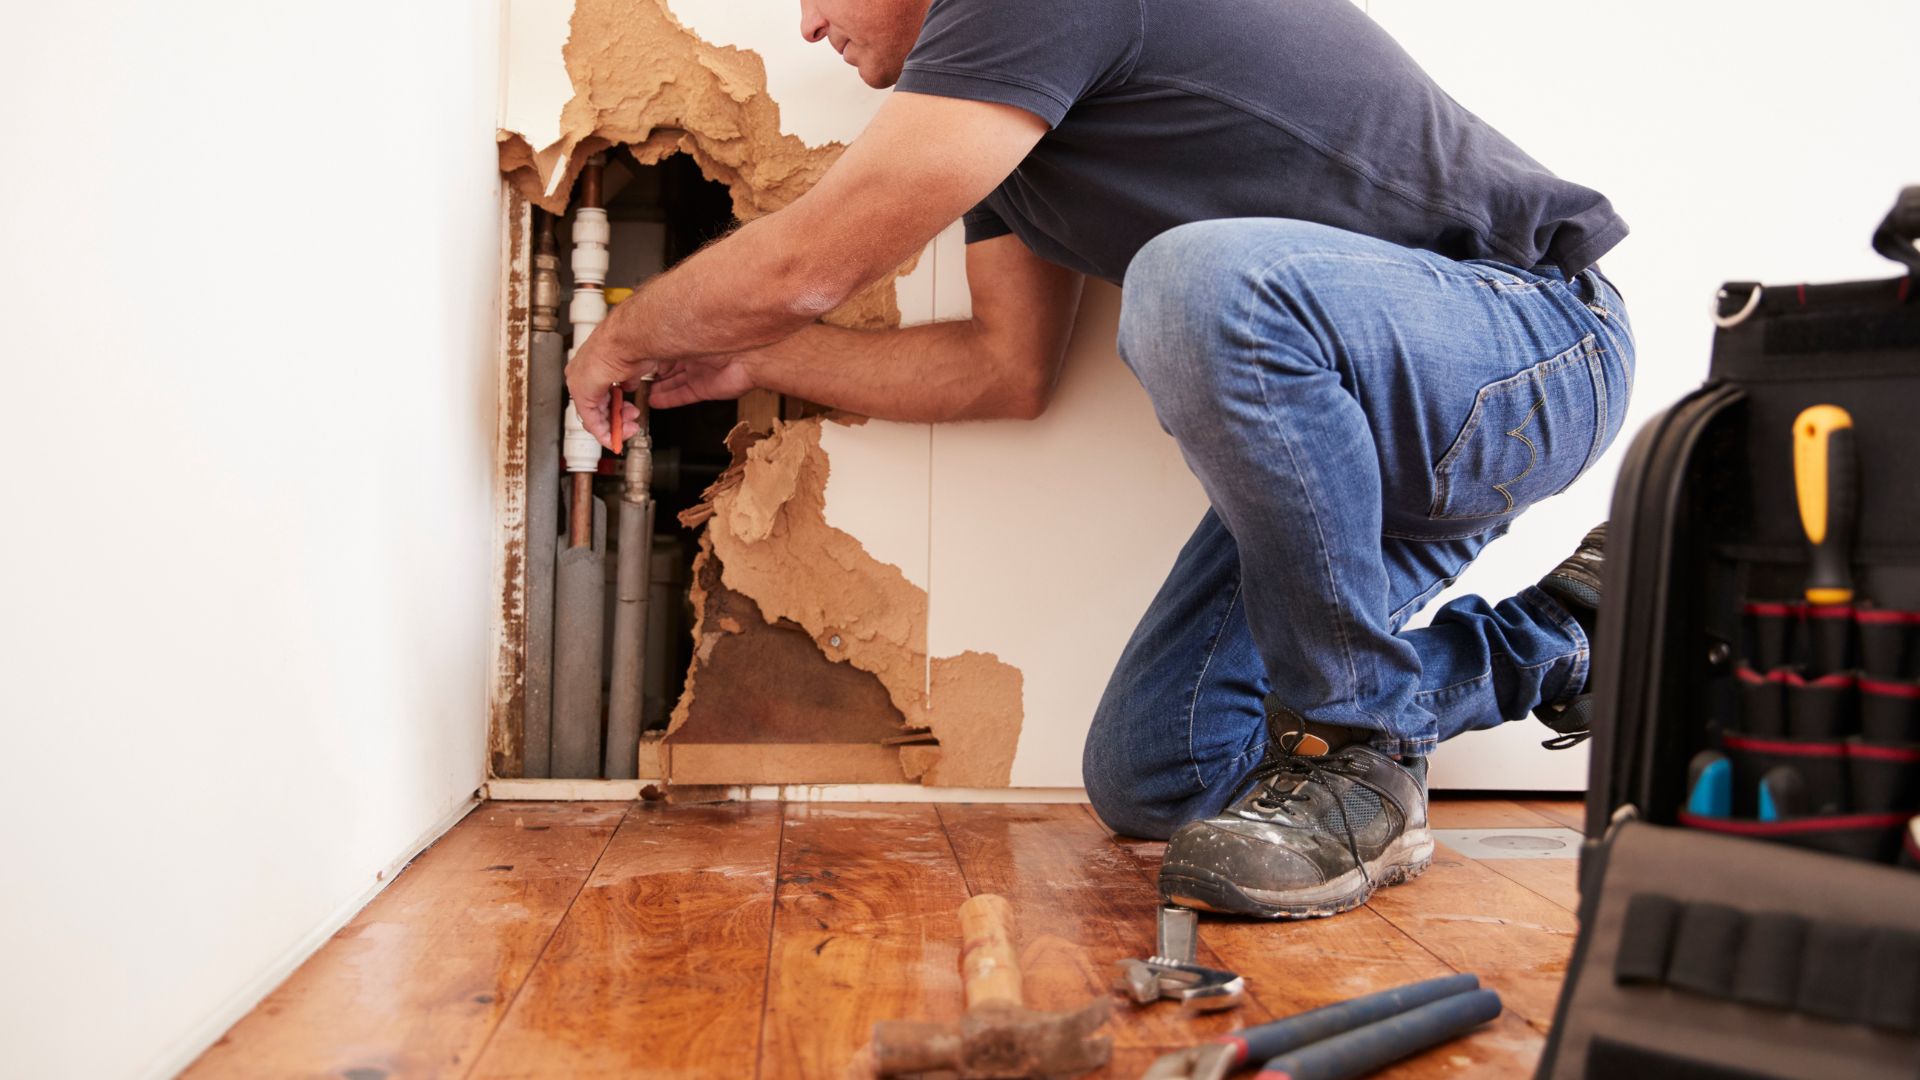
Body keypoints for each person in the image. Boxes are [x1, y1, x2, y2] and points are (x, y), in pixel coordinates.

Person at [566, 0, 1632, 919]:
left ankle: (1357, 757)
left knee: (1197, 281)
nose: (807, 24)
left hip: (1527, 349)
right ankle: (1567, 637)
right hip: (1350, 437)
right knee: (1162, 770)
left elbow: (817, 257)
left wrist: (630, 332)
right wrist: (749, 355)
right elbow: (1001, 368)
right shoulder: (1003, 127)